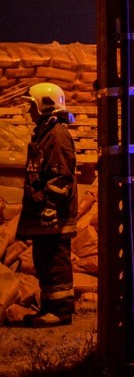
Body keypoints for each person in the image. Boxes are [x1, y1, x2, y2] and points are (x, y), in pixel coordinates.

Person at [17, 82, 77, 327]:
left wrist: (50, 205)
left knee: (55, 260)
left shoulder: (57, 136)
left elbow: (60, 174)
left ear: (44, 104)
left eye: (31, 105)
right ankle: (48, 308)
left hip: (53, 213)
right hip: (44, 210)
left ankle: (61, 312)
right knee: (44, 259)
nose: (28, 110)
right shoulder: (44, 131)